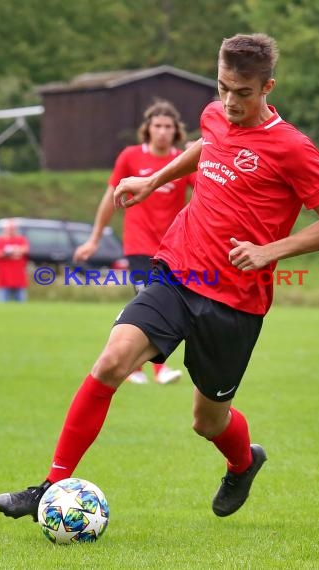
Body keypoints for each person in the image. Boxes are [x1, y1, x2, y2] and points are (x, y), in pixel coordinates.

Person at [0, 33, 319, 521]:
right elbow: (208, 147)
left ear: (268, 86)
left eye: (243, 93)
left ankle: (243, 463)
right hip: (178, 272)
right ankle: (49, 486)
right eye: (223, 87)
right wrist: (153, 179)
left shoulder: (293, 148)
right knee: (110, 364)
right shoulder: (214, 114)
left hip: (235, 302)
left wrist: (271, 251)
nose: (230, 102)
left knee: (208, 421)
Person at [74, 99, 194, 386]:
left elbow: (207, 192)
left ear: (176, 131)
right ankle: (154, 369)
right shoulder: (130, 156)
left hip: (172, 248)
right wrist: (94, 239)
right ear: (148, 129)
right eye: (158, 126)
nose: (163, 131)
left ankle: (138, 367)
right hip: (139, 246)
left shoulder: (183, 161)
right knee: (152, 299)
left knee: (162, 303)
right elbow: (110, 198)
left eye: (168, 126)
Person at [0, 219, 30, 302]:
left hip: (19, 279)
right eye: (9, 228)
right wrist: (11, 252)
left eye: (13, 228)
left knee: (22, 308)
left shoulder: (21, 240)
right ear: (5, 229)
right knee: (2, 307)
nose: (11, 231)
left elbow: (25, 250)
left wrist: (11, 251)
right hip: (3, 279)